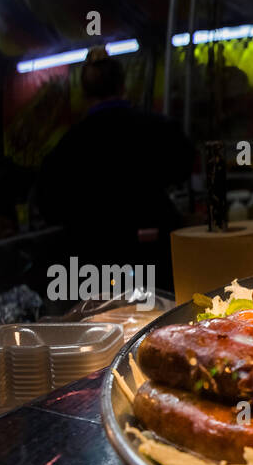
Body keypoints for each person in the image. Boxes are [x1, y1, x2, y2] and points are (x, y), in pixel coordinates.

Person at [38, 47, 193, 293]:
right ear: (123, 85)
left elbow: (49, 206)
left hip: (94, 270)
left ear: (84, 92)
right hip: (155, 261)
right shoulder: (157, 128)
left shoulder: (69, 146)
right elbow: (184, 166)